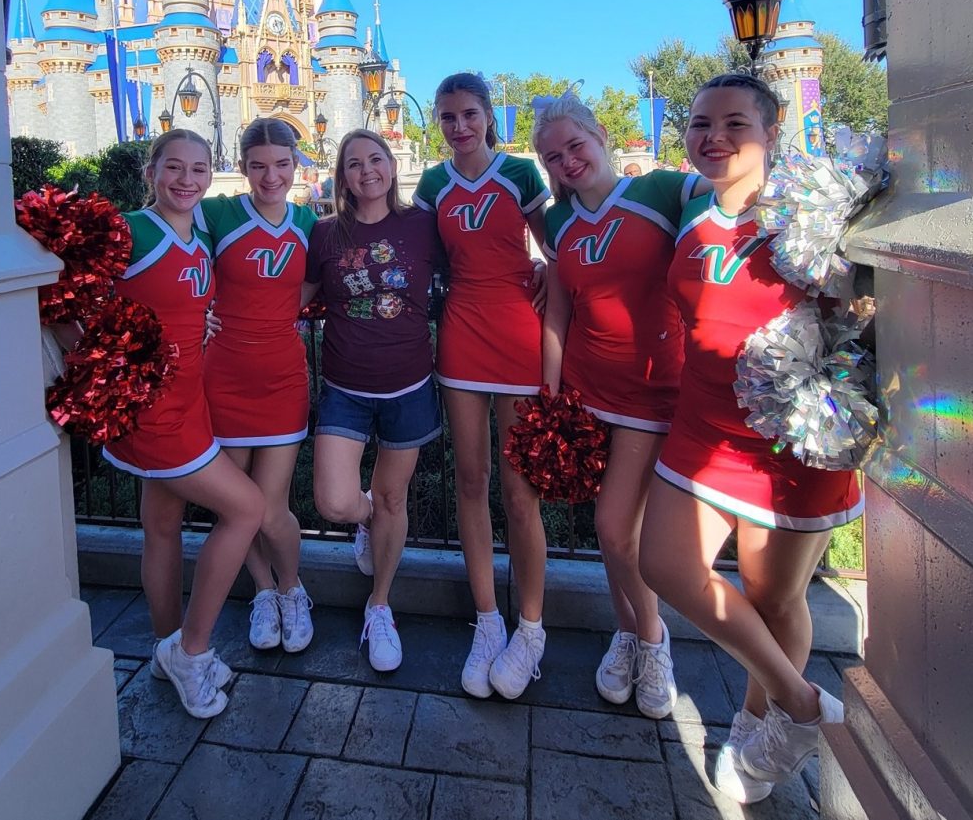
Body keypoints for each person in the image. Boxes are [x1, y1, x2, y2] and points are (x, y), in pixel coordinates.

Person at [639, 74, 860, 804]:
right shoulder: (694, 220)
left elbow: (855, 320)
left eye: (735, 123)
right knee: (666, 565)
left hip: (787, 444)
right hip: (702, 429)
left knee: (772, 597)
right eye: (701, 124)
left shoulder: (811, 221)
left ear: (772, 130)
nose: (714, 137)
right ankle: (802, 704)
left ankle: (753, 727)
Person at [533, 93, 704, 719]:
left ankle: (653, 640)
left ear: (601, 134)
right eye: (553, 156)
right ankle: (629, 633)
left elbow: (732, 196)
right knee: (615, 536)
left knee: (613, 526)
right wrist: (550, 394)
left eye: (574, 146)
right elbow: (559, 307)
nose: (567, 161)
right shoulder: (558, 223)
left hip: (653, 393)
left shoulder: (662, 191)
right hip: (586, 392)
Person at [101, 129, 264, 718]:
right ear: (152, 172)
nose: (187, 180)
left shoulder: (199, 235)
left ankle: (167, 649)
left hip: (190, 397)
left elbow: (183, 303)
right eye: (174, 167)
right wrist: (101, 360)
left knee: (163, 524)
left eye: (199, 169)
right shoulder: (128, 229)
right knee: (246, 508)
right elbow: (59, 293)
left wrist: (200, 325)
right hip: (153, 411)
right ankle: (193, 651)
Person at [413, 72, 550, 700]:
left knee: (520, 490)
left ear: (490, 116)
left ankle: (530, 628)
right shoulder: (433, 184)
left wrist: (557, 281)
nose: (459, 126)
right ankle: (487, 622)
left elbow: (557, 248)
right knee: (472, 480)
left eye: (469, 114)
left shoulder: (521, 174)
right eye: (447, 117)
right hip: (463, 331)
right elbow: (417, 259)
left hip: (519, 331)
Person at [302, 129, 444, 671]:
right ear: (343, 175)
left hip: (409, 387)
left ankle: (380, 604)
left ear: (391, 165)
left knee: (393, 500)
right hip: (345, 388)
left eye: (376, 159)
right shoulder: (324, 234)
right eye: (355, 163)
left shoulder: (422, 227)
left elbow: (475, 272)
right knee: (337, 502)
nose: (368, 170)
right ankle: (366, 523)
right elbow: (292, 300)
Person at [199, 118, 317, 656]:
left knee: (271, 506)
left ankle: (293, 588)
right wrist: (195, 311)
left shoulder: (309, 222)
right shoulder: (217, 214)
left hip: (282, 377)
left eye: (282, 164)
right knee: (237, 503)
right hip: (223, 376)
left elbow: (312, 290)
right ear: (243, 167)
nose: (271, 176)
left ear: (296, 164)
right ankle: (263, 592)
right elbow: (177, 259)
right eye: (258, 166)